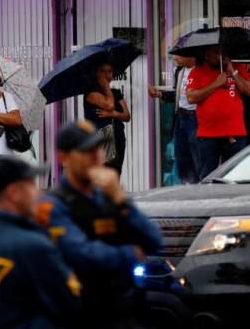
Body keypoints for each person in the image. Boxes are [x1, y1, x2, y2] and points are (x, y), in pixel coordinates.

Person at [35, 121, 162, 329]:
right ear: (63, 158)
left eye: (97, 148)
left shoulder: (108, 195)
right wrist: (130, 254)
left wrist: (121, 199)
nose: (95, 156)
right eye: (86, 151)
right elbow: (81, 253)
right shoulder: (52, 204)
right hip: (80, 312)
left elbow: (154, 240)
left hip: (122, 310)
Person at [0, 155, 81, 329]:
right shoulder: (32, 245)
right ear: (14, 193)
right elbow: (70, 304)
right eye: (31, 184)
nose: (38, 192)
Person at [187, 45, 250, 179]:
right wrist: (216, 84)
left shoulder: (237, 68)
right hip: (208, 133)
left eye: (222, 51)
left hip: (234, 132)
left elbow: (249, 91)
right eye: (215, 52)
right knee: (207, 175)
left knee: (234, 174)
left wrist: (233, 72)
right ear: (206, 55)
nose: (220, 55)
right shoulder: (197, 72)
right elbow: (191, 97)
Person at [148, 54, 200, 184]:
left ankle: (197, 187)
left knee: (197, 157)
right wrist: (160, 94)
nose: (175, 58)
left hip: (195, 117)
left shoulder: (201, 71)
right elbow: (177, 95)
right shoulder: (180, 71)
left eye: (179, 55)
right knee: (181, 155)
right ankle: (186, 185)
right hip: (181, 117)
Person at [84, 62, 130, 175]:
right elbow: (109, 105)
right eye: (102, 71)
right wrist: (106, 86)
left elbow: (127, 116)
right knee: (104, 172)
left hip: (118, 134)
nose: (106, 75)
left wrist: (113, 114)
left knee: (116, 171)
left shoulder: (116, 93)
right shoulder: (91, 93)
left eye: (109, 71)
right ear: (96, 73)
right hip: (101, 136)